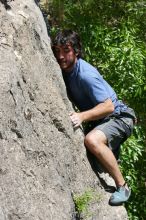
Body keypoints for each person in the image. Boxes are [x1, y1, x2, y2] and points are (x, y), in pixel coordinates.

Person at [51, 29, 136, 206]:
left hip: (119, 116)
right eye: (57, 51)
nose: (60, 56)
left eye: (66, 50)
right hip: (103, 119)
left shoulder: (85, 74)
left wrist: (81, 116)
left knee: (92, 141)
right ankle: (111, 151)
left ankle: (123, 186)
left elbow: (108, 106)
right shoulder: (66, 71)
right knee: (98, 165)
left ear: (76, 51)